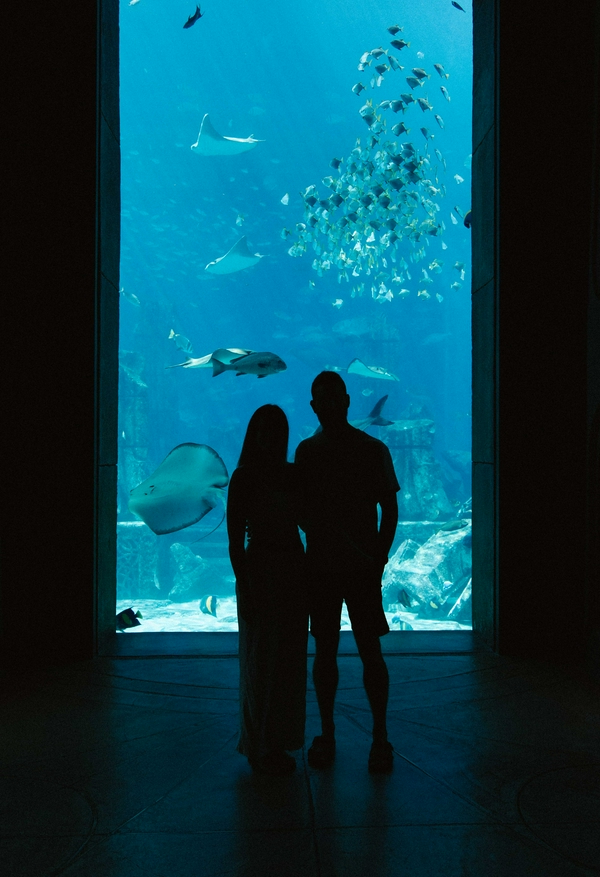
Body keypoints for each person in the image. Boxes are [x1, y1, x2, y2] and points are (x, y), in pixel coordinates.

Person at [294, 372, 400, 773]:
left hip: (356, 567)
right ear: (316, 406)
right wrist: (373, 556)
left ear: (346, 401)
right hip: (328, 566)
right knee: (328, 651)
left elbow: (389, 510)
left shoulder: (370, 449)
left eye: (333, 397)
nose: (329, 405)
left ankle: (378, 736)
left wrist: (379, 558)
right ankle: (333, 732)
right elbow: (302, 510)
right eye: (323, 399)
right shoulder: (310, 452)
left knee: (367, 652)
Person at [227, 405, 308, 775]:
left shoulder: (293, 475)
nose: (271, 438)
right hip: (262, 569)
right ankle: (260, 743)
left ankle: (278, 741)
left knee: (288, 659)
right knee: (261, 658)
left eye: (276, 431)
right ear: (254, 434)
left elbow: (309, 518)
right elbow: (233, 541)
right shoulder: (243, 478)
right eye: (265, 430)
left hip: (291, 567)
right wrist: (245, 581)